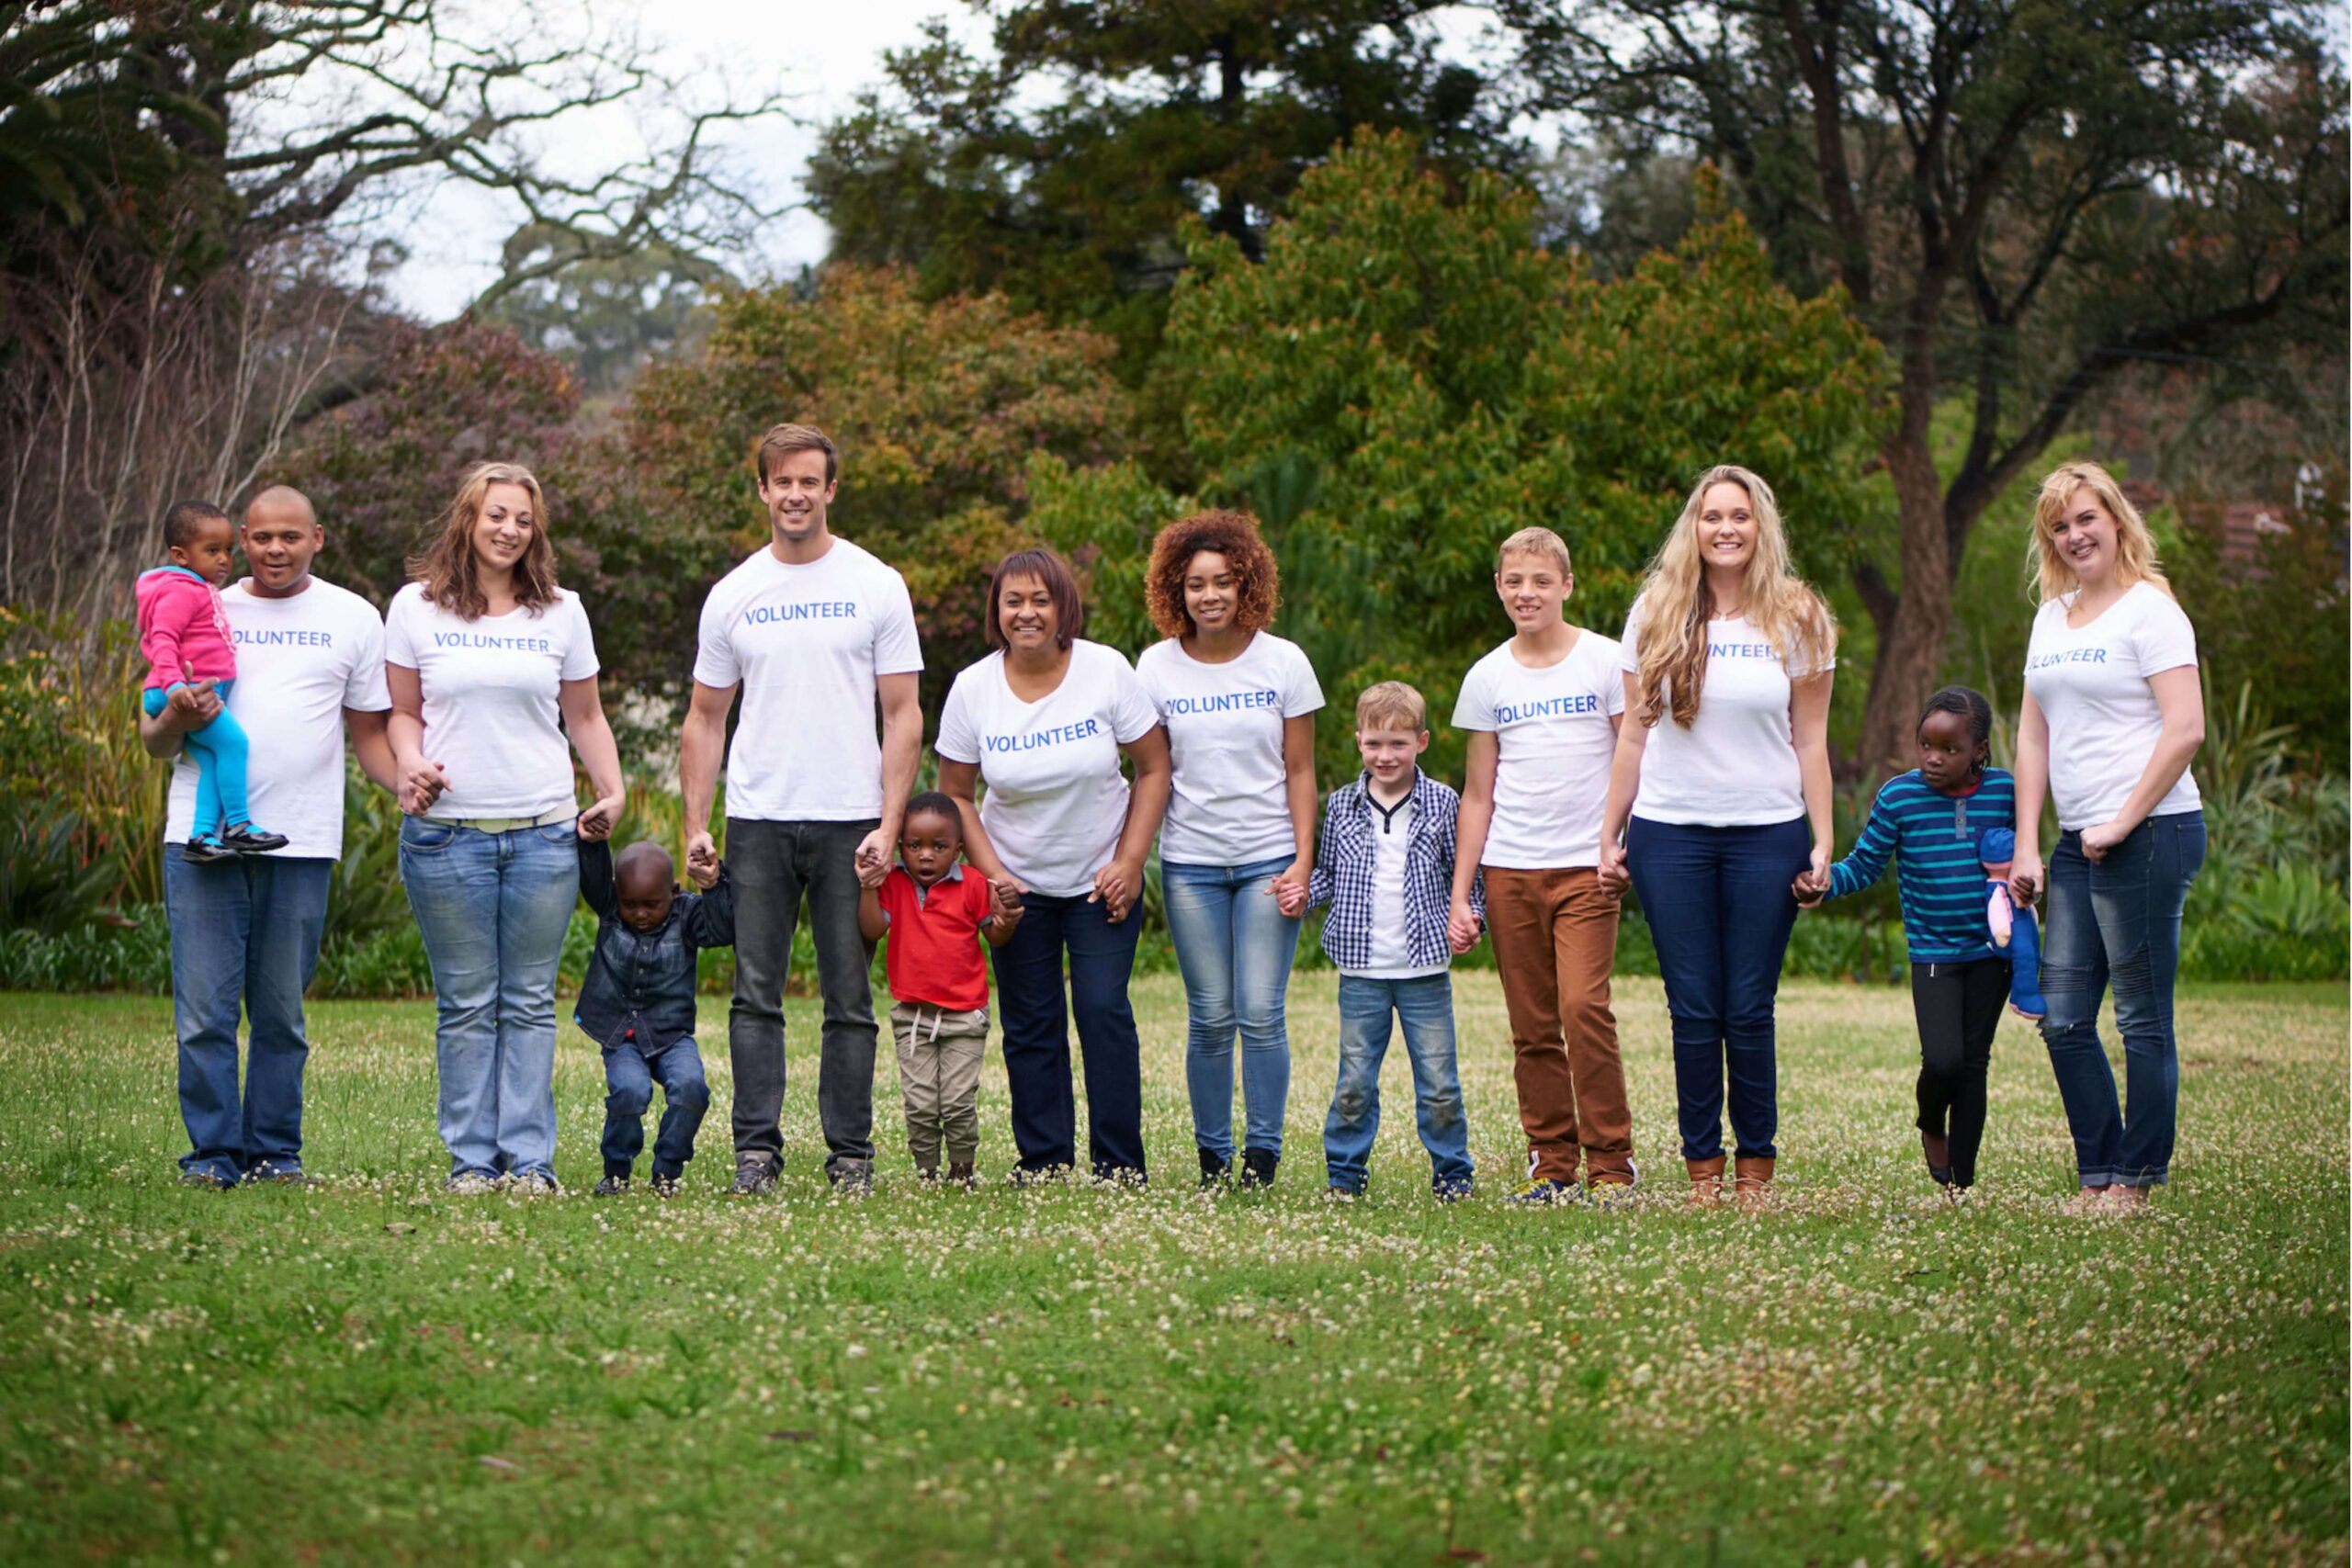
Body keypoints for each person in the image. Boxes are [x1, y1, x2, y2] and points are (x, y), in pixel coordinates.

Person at [682, 423, 923, 1196]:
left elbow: (905, 713)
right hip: (757, 820)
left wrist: (888, 826)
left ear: (830, 488)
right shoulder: (734, 594)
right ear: (762, 489)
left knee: (849, 997)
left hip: (851, 822)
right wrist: (696, 825)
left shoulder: (875, 583)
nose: (795, 494)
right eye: (781, 481)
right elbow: (704, 717)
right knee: (756, 993)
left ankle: (850, 1155)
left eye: (809, 481)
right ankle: (756, 1153)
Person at [139, 485, 399, 1188]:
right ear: (241, 540)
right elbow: (154, 739)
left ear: (318, 536)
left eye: (290, 536)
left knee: (282, 1012)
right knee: (204, 1012)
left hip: (302, 841)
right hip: (202, 842)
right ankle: (212, 1155)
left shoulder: (352, 616)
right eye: (260, 538)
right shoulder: (203, 599)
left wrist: (405, 783)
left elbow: (371, 733)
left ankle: (275, 1154)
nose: (274, 549)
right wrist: (177, 717)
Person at [1597, 465, 1836, 1211]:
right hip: (1670, 834)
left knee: (1748, 1006)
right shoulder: (1656, 611)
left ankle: (1754, 1170)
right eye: (1711, 516)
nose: (1725, 528)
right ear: (1693, 529)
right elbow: (1633, 738)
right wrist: (1612, 831)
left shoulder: (1799, 615)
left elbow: (1812, 741)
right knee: (1694, 1006)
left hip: (1768, 833)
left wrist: (1822, 842)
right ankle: (1703, 1170)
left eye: (1740, 516)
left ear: (1761, 527)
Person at [387, 461, 626, 1194]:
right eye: (496, 515)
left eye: (522, 519)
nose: (509, 529)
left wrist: (611, 789)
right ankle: (470, 1163)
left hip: (544, 834)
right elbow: (401, 714)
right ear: (468, 516)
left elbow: (583, 714)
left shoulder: (561, 609)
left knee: (526, 1002)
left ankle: (529, 1162)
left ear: (536, 528)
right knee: (466, 1003)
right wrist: (409, 763)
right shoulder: (416, 607)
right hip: (445, 837)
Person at [935, 548, 1170, 1186]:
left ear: (1064, 606)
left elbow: (1153, 767)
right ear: (998, 611)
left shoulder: (1105, 671)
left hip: (1101, 881)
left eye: (1040, 599)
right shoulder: (973, 687)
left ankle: (1119, 1163)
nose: (1027, 612)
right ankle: (1044, 1160)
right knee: (1030, 1020)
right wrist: (993, 877)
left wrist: (1129, 861)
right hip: (1018, 884)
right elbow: (955, 792)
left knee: (1101, 1010)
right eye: (1013, 600)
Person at [2007, 461, 2205, 1216]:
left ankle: (2137, 1177)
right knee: (2060, 1016)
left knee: (2142, 1017)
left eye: (2086, 517)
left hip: (2152, 832)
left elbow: (2186, 727)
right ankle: (2100, 1174)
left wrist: (2122, 819)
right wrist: (2029, 842)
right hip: (2076, 841)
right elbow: (2032, 735)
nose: (2074, 534)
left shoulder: (2151, 611)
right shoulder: (2051, 617)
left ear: (2116, 518)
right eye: (2059, 525)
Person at [1134, 510, 1322, 1191]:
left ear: (1247, 584)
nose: (1209, 595)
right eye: (1194, 584)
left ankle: (1262, 1156)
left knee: (1261, 1012)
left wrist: (1304, 860)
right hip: (1192, 865)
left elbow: (1301, 770)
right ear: (1174, 592)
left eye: (1222, 582)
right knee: (1210, 1015)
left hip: (1270, 860)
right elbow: (1150, 770)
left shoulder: (1284, 660)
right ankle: (1214, 1157)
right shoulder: (1154, 667)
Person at [1450, 525, 1634, 1208]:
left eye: (1540, 581)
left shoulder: (1606, 661)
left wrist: (1621, 843)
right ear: (1499, 588)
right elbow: (1478, 793)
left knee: (1584, 1007)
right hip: (1510, 871)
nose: (1526, 593)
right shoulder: (1487, 675)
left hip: (1586, 869)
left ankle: (1612, 1165)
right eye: (1514, 581)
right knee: (1532, 1025)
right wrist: (1461, 893)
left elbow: (1633, 759)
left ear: (1566, 585)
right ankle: (1552, 1165)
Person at [1796, 687, 2018, 1198]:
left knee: (1974, 1063)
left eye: (1949, 749)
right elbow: (1866, 864)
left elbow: (2021, 855)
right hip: (1934, 952)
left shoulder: (2006, 792)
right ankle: (1928, 1122)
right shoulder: (1900, 797)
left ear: (1980, 751)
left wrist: (2029, 880)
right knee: (1942, 1061)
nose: (1934, 759)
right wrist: (1824, 881)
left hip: (1992, 952)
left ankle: (1960, 1183)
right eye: (1926, 745)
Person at [1309, 682, 1480, 1201]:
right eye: (1375, 743)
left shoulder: (1444, 804)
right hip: (1361, 969)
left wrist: (1472, 917)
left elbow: (1467, 879)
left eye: (1398, 744)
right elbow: (1328, 874)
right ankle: (1344, 1172)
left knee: (1439, 1083)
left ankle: (1452, 1173)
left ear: (1422, 742)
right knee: (1355, 1080)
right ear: (1358, 741)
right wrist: (1298, 891)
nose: (1386, 755)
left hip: (1424, 968)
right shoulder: (1341, 806)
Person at [855, 791, 1025, 1188]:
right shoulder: (894, 882)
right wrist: (867, 886)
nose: (926, 855)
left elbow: (996, 937)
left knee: (957, 1102)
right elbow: (872, 929)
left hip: (965, 1016)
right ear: (901, 847)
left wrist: (1009, 918)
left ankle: (962, 1169)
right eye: (915, 846)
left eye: (939, 846)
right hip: (912, 1018)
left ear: (959, 850)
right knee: (919, 1105)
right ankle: (927, 1171)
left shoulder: (973, 885)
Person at [575, 839, 734, 1197]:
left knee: (692, 1089)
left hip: (671, 1034)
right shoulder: (610, 910)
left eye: (652, 904)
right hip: (621, 1037)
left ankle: (667, 1170)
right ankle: (616, 1172)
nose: (640, 914)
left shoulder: (689, 916)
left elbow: (722, 930)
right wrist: (592, 841)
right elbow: (594, 876)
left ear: (674, 893)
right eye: (630, 904)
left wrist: (713, 884)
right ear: (617, 896)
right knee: (630, 1092)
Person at [135, 501, 288, 863]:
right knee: (234, 745)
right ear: (180, 555)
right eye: (212, 550)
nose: (224, 559)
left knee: (214, 761)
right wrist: (176, 689)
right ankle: (239, 826)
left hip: (192, 693)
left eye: (228, 550)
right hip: (184, 694)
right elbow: (163, 640)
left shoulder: (200, 588)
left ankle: (202, 836)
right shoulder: (180, 590)